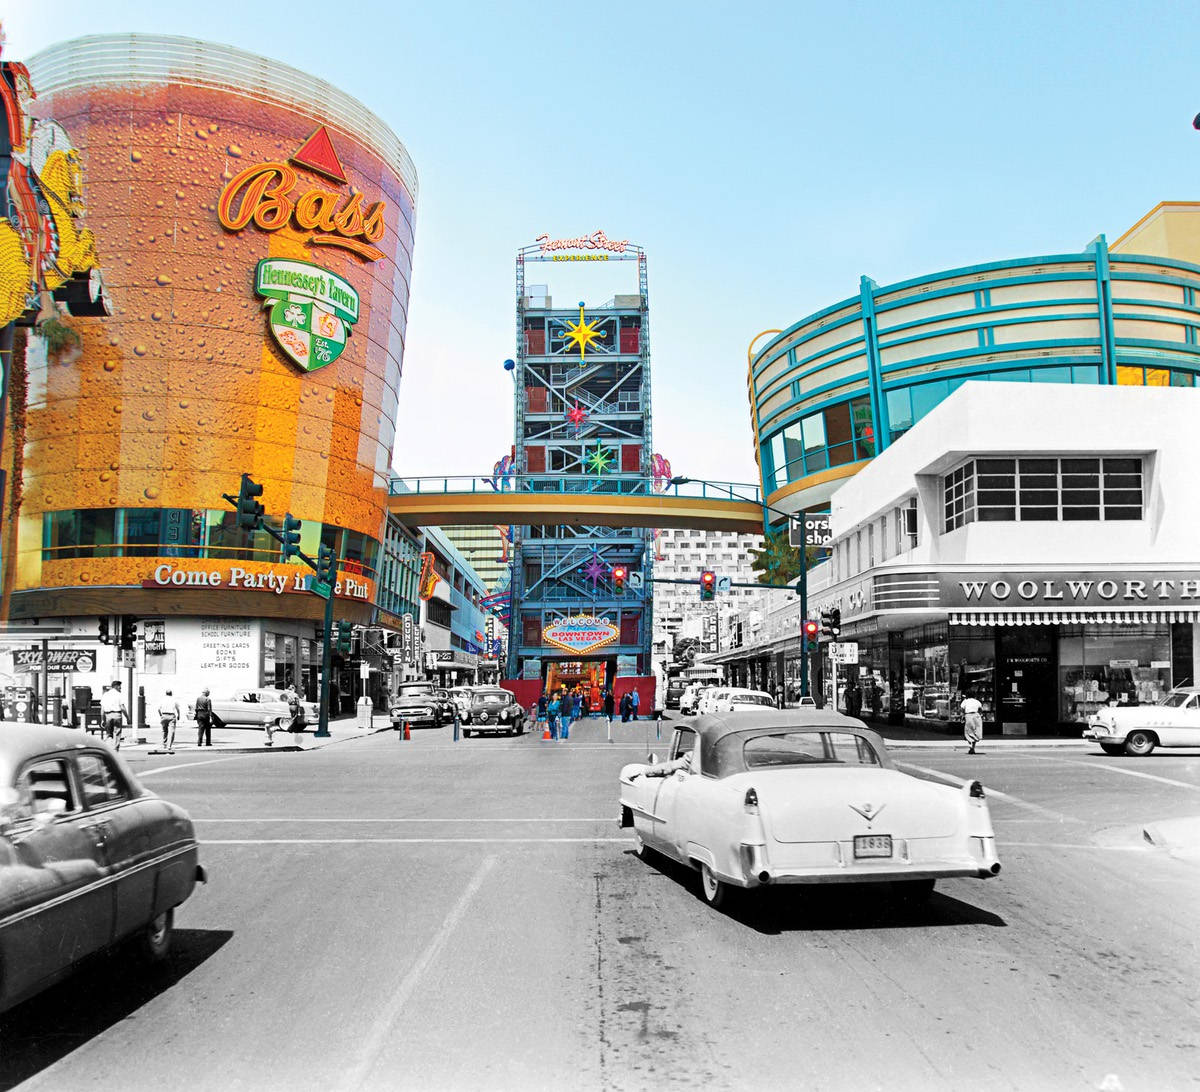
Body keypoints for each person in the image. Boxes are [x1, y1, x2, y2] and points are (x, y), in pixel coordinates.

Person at [100, 681, 129, 750]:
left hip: (108, 716)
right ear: (116, 686)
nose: (120, 688)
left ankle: (108, 749)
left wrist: (102, 719)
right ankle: (115, 750)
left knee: (108, 734)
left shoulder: (105, 695)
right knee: (117, 733)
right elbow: (122, 707)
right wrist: (127, 717)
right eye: (119, 686)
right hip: (117, 715)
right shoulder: (119, 695)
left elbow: (102, 709)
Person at [961, 691, 984, 755]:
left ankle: (970, 745)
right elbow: (981, 709)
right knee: (975, 731)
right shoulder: (977, 701)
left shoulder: (965, 701)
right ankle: (973, 748)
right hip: (976, 716)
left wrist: (962, 716)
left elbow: (962, 708)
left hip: (968, 716)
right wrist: (980, 715)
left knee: (969, 731)